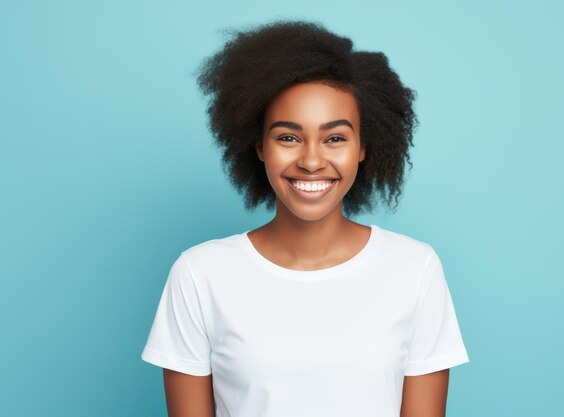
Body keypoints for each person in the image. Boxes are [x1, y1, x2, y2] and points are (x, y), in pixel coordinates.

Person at [141, 19, 469, 417]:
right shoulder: (199, 274)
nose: (312, 161)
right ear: (259, 146)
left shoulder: (416, 270)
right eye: (288, 137)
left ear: (364, 147)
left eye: (335, 138)